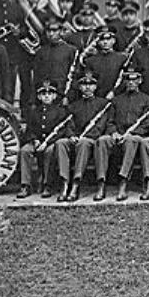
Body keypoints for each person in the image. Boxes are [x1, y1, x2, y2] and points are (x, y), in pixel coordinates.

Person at [54, 70, 114, 202]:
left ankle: (76, 183)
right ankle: (64, 183)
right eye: (84, 85)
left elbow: (103, 125)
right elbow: (68, 124)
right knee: (60, 143)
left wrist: (86, 136)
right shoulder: (74, 106)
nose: (87, 87)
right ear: (80, 87)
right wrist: (71, 135)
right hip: (77, 138)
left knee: (84, 143)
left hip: (93, 139)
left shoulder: (103, 104)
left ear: (95, 87)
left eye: (91, 84)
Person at [110, 67, 149, 201]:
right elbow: (110, 121)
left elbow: (147, 124)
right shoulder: (116, 100)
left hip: (138, 136)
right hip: (118, 136)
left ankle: (125, 181)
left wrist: (130, 134)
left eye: (134, 79)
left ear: (140, 81)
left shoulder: (148, 100)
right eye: (128, 79)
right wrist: (114, 132)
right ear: (124, 81)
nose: (131, 82)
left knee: (132, 140)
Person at [16, 80, 68, 199]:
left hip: (51, 142)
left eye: (49, 94)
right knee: (25, 151)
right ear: (39, 97)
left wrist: (47, 143)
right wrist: (35, 140)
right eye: (43, 94)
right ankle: (25, 185)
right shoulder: (34, 112)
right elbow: (30, 130)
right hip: (37, 142)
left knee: (50, 152)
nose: (46, 96)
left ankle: (47, 184)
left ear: (54, 96)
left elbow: (61, 131)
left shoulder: (60, 112)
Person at [32, 18, 78, 98]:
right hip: (44, 94)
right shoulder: (41, 51)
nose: (51, 34)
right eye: (48, 31)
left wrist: (69, 96)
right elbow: (36, 77)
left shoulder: (71, 50)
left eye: (54, 31)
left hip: (62, 92)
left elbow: (74, 75)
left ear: (61, 32)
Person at [81, 25, 126, 99]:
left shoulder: (122, 58)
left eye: (108, 39)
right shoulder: (90, 61)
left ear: (114, 40)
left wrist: (114, 92)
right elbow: (88, 80)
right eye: (102, 39)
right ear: (98, 42)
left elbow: (124, 80)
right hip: (96, 98)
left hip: (117, 98)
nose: (105, 42)